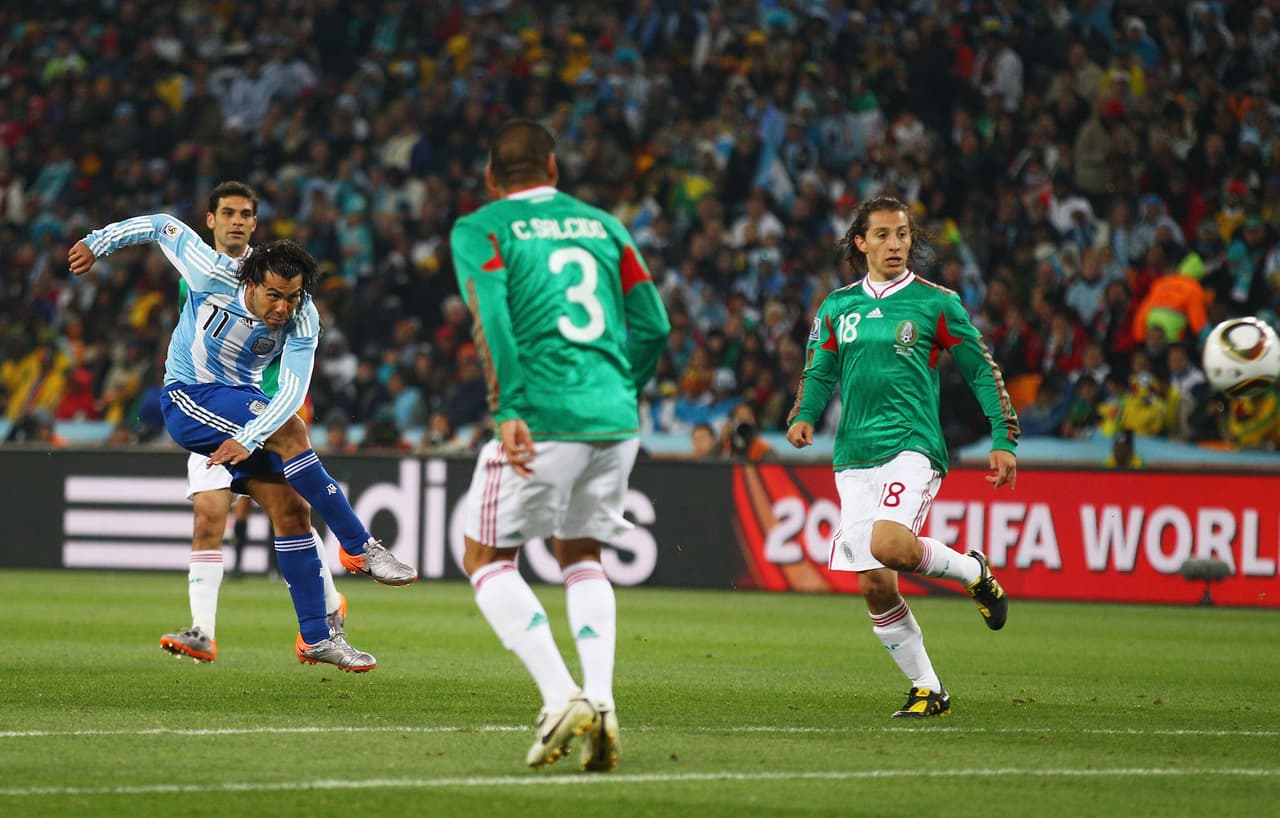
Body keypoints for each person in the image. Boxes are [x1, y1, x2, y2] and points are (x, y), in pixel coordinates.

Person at [69, 223, 418, 672]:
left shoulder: (304, 317)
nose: (282, 307)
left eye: (292, 297)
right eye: (274, 295)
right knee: (273, 452)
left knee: (292, 508)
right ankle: (359, 546)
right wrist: (97, 243)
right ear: (251, 283)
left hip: (244, 410)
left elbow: (291, 391)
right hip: (188, 396)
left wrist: (249, 437)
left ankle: (316, 637)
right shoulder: (213, 273)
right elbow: (160, 226)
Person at [450, 119, 670, 771]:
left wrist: (509, 405)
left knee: (485, 555)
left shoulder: (481, 227)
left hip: (543, 413)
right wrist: (618, 386)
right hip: (616, 416)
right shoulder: (605, 225)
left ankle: (559, 698)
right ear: (553, 168)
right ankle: (601, 701)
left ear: (492, 177)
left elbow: (491, 313)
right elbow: (653, 324)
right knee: (581, 552)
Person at [785, 195, 1019, 719]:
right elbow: (819, 370)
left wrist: (1003, 435)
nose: (895, 244)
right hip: (853, 456)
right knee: (873, 581)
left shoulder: (936, 303)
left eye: (903, 234)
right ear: (861, 243)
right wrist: (804, 414)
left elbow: (981, 368)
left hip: (911, 445)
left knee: (891, 543)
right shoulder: (837, 307)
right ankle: (928, 688)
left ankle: (970, 571)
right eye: (884, 235)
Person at [135, 181, 347, 663]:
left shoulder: (275, 287)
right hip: (208, 409)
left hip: (260, 410)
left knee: (290, 508)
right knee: (210, 514)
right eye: (226, 212)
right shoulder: (200, 270)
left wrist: (269, 419)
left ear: (254, 222)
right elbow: (158, 227)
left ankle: (329, 606)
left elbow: (292, 361)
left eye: (244, 213)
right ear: (209, 220)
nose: (235, 221)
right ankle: (202, 631)